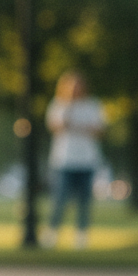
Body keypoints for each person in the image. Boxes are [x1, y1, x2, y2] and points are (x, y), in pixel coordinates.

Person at [43, 71, 105, 249]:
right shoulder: (59, 105)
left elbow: (99, 130)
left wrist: (80, 127)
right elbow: (56, 126)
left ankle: (81, 236)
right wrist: (70, 110)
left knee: (84, 200)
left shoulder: (93, 105)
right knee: (60, 198)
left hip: (87, 159)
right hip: (64, 159)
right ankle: (52, 233)